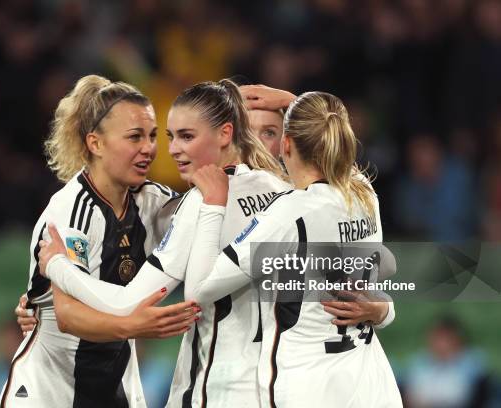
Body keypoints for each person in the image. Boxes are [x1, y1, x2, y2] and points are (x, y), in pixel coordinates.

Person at [32, 79, 395, 407]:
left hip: (214, 389)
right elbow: (335, 163)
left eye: (186, 136)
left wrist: (56, 269)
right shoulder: (302, 193)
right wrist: (381, 308)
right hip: (280, 382)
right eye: (169, 136)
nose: (170, 150)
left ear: (225, 134)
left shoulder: (204, 206)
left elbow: (149, 298)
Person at [187, 89, 402, 407]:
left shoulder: (288, 214)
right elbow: (337, 148)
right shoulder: (364, 192)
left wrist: (214, 204)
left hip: (309, 384)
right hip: (371, 384)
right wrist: (293, 102)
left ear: (285, 144)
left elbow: (199, 290)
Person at [0, 75, 201, 408]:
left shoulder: (154, 201)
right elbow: (69, 315)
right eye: (135, 137)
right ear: (95, 143)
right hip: (52, 389)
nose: (149, 149)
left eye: (152, 136)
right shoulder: (71, 212)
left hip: (113, 384)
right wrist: (135, 325)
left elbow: (208, 221)